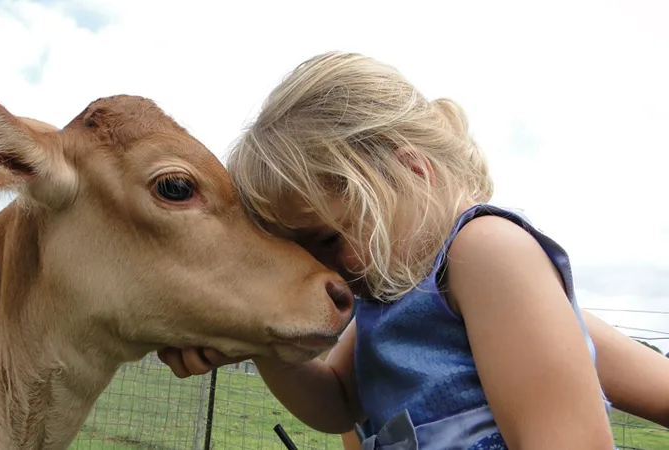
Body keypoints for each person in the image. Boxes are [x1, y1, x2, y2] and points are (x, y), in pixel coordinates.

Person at [156, 51, 660, 448]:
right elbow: (337, 403)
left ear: (411, 172)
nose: (326, 271)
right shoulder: (384, 301)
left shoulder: (486, 251)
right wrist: (265, 347)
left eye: (330, 239)